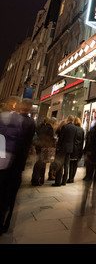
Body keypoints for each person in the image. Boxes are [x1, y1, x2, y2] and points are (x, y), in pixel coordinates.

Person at [0, 96, 35, 235]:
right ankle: (6, 222)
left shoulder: (14, 119)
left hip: (6, 162)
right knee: (11, 194)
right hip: (17, 163)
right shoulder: (30, 122)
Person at [52, 115, 76, 187]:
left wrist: (58, 146)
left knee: (60, 164)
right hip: (70, 148)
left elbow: (61, 138)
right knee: (66, 165)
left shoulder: (65, 127)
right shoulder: (75, 128)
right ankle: (64, 181)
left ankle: (58, 181)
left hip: (63, 148)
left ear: (68, 119)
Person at [31, 117, 56, 186]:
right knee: (43, 163)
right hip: (45, 147)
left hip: (39, 146)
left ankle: (34, 179)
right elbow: (50, 139)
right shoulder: (50, 128)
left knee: (38, 162)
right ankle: (40, 179)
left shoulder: (40, 127)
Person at [68, 117, 84, 183]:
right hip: (79, 149)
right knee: (75, 164)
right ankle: (72, 177)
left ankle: (70, 178)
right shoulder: (81, 130)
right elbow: (82, 141)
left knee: (71, 163)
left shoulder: (73, 129)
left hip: (73, 148)